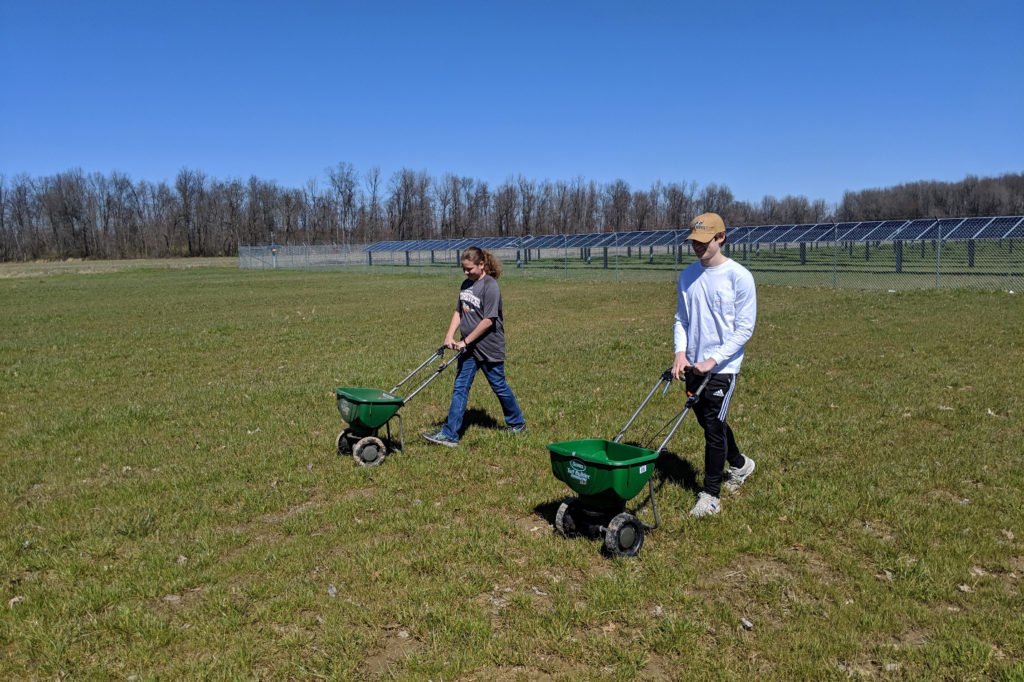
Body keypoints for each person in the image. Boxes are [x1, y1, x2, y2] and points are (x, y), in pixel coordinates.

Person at [671, 212, 757, 517]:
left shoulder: (739, 277)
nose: (697, 247)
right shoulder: (687, 276)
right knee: (709, 422)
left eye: (703, 241)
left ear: (721, 238)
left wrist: (715, 359)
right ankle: (741, 464)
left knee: (713, 428)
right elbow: (681, 319)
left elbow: (745, 328)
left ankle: (710, 496)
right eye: (693, 241)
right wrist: (681, 353)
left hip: (723, 368)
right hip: (694, 366)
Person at [422, 246, 526, 447]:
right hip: (468, 350)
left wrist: (466, 341)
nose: (466, 272)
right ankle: (450, 434)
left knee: (499, 386)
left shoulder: (490, 286)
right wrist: (449, 336)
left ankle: (517, 424)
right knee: (460, 388)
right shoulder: (465, 285)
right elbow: (459, 312)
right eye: (463, 268)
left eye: (469, 268)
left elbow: (489, 320)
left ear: (481, 265)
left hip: (489, 348)